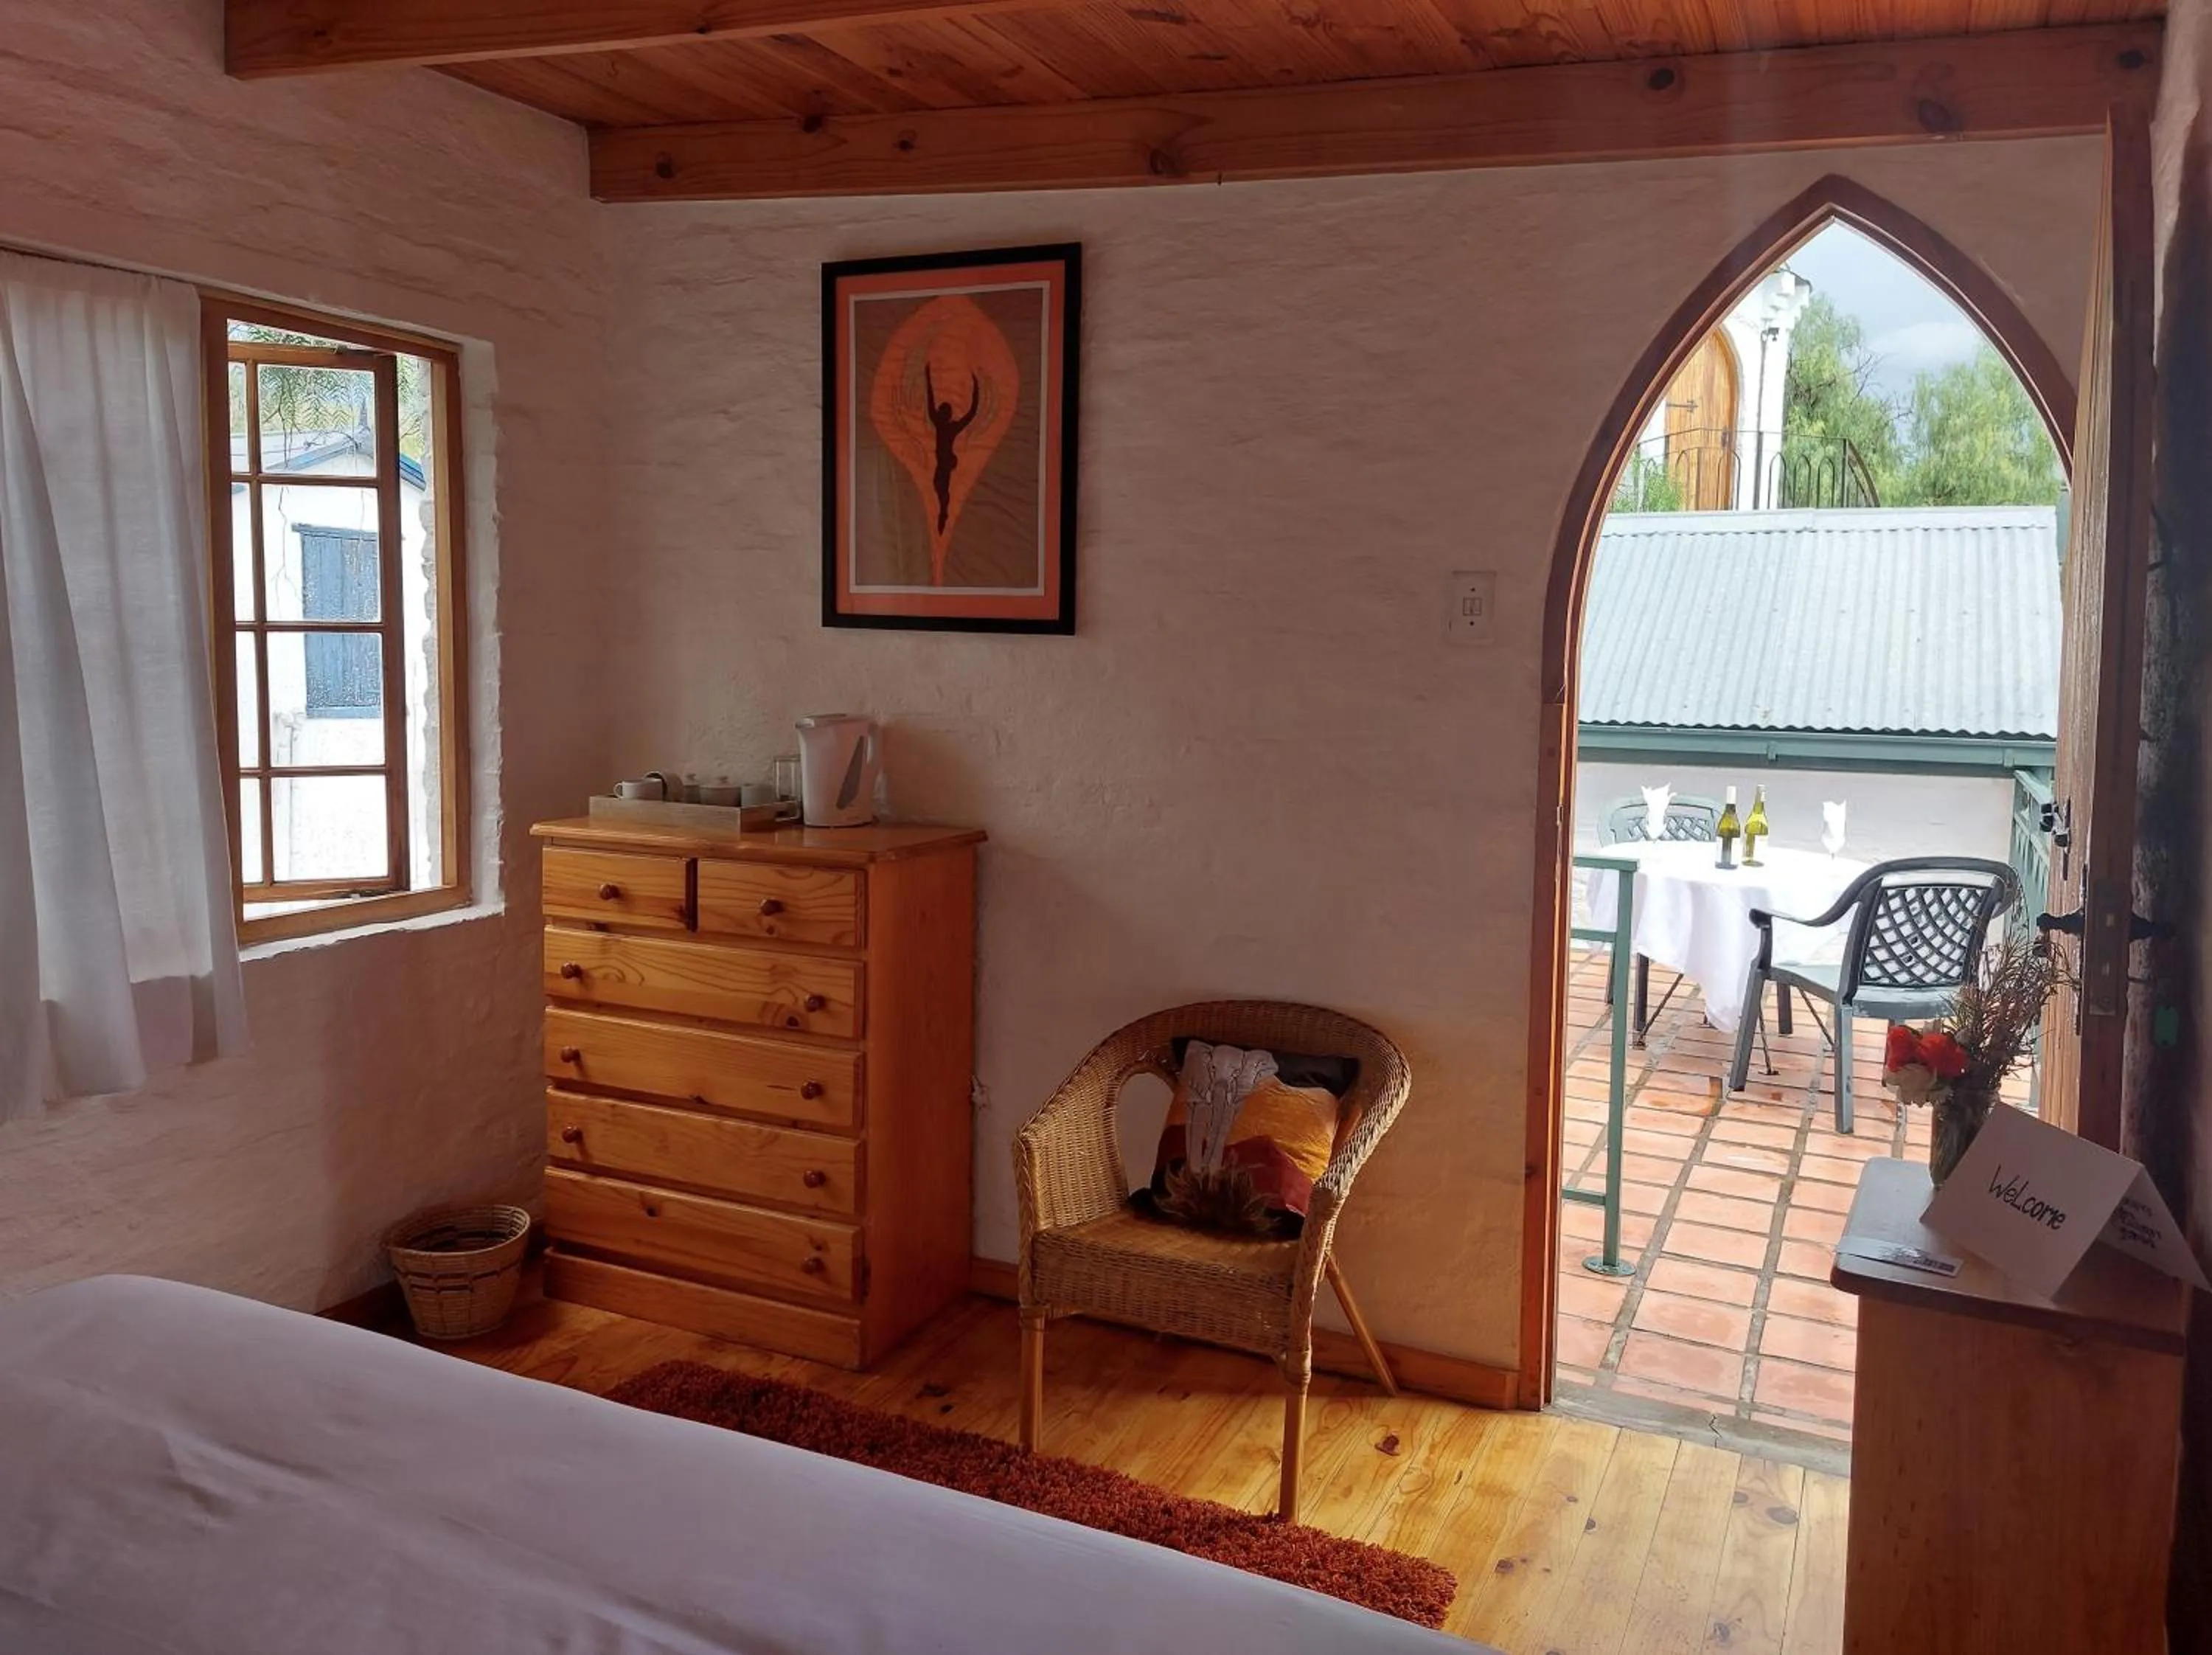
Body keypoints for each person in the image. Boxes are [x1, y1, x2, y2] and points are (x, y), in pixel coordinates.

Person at [923, 362, 981, 534]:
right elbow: (971, 412)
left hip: (943, 467)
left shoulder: (945, 427)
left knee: (943, 496)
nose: (941, 413)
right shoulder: (946, 427)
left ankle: (943, 516)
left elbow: (971, 413)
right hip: (942, 467)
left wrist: (977, 388)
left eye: (942, 411)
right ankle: (943, 516)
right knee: (941, 494)